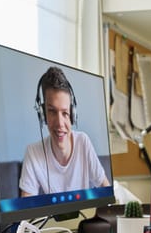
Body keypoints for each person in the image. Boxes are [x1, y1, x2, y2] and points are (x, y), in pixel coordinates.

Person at [19, 66, 110, 196]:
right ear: (43, 114)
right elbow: (25, 209)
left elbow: (105, 190)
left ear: (72, 114)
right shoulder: (33, 153)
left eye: (65, 113)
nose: (60, 123)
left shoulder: (83, 142)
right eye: (52, 111)